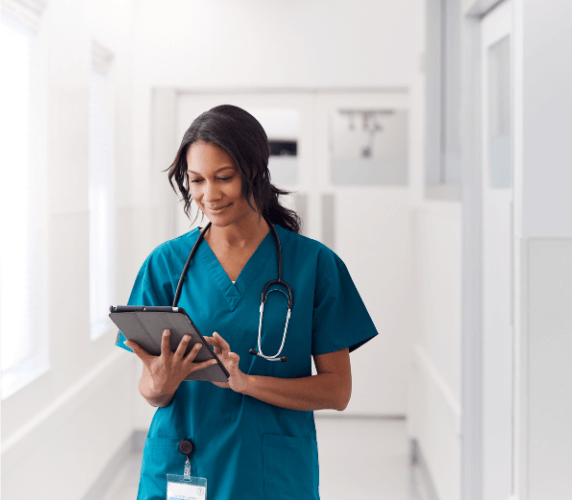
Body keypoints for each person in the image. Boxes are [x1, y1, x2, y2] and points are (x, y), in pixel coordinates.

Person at [115, 104, 378, 500]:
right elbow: (151, 388)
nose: (209, 195)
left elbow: (337, 391)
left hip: (270, 470)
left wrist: (246, 383)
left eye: (224, 177)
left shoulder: (314, 265)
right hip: (186, 461)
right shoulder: (166, 265)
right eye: (196, 180)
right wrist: (160, 385)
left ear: (255, 171)